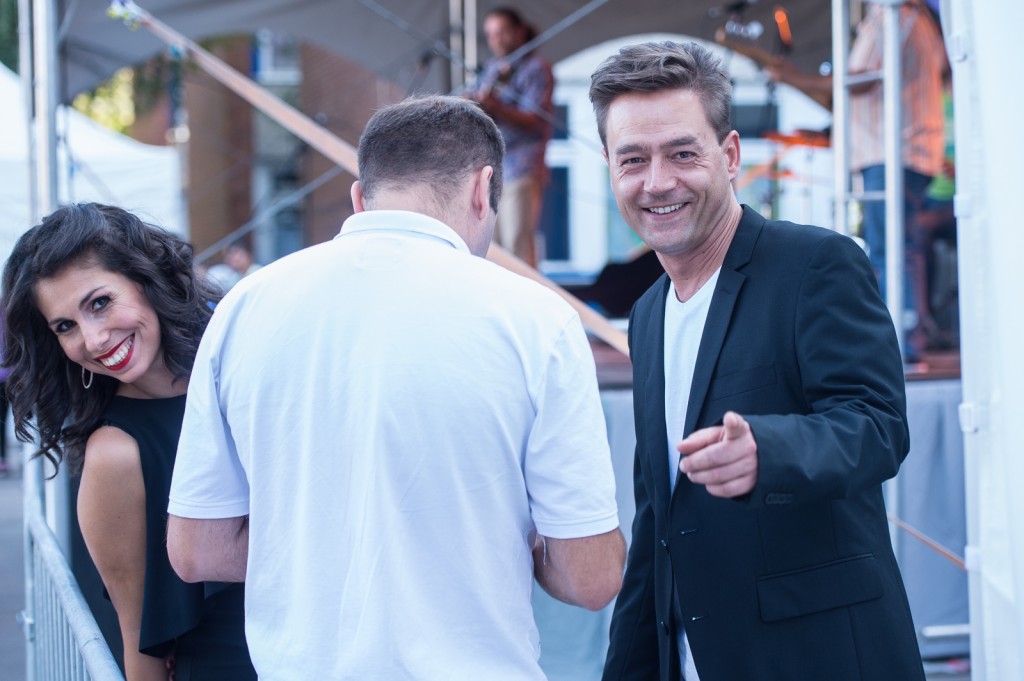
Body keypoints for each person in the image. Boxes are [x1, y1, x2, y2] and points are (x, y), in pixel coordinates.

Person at [165, 95, 626, 680]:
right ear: (483, 189)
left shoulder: (244, 308)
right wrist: (508, 542)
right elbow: (591, 577)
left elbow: (198, 549)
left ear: (360, 197)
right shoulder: (537, 319)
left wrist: (329, 539)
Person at [589, 42, 924, 681]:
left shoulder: (815, 264)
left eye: (682, 154)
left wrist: (767, 450)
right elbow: (659, 525)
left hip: (818, 659)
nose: (657, 182)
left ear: (731, 155)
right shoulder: (648, 315)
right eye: (633, 160)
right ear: (609, 167)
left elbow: (877, 426)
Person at [1, 203, 256, 681]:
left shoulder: (246, 372)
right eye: (65, 326)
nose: (93, 339)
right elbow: (138, 633)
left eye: (99, 303)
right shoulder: (115, 455)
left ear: (145, 279)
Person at [766, 0, 947, 362]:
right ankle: (908, 336)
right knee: (901, 248)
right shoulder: (923, 20)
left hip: (891, 150)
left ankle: (901, 344)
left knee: (889, 250)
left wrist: (792, 77)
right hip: (913, 149)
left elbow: (860, 80)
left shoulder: (889, 16)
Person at [466, 6, 554, 268]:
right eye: (491, 35)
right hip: (492, 170)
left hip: (522, 167)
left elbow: (535, 118)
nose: (497, 40)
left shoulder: (536, 68)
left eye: (502, 32)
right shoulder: (492, 69)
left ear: (519, 31)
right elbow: (478, 103)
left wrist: (496, 107)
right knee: (494, 248)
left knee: (518, 246)